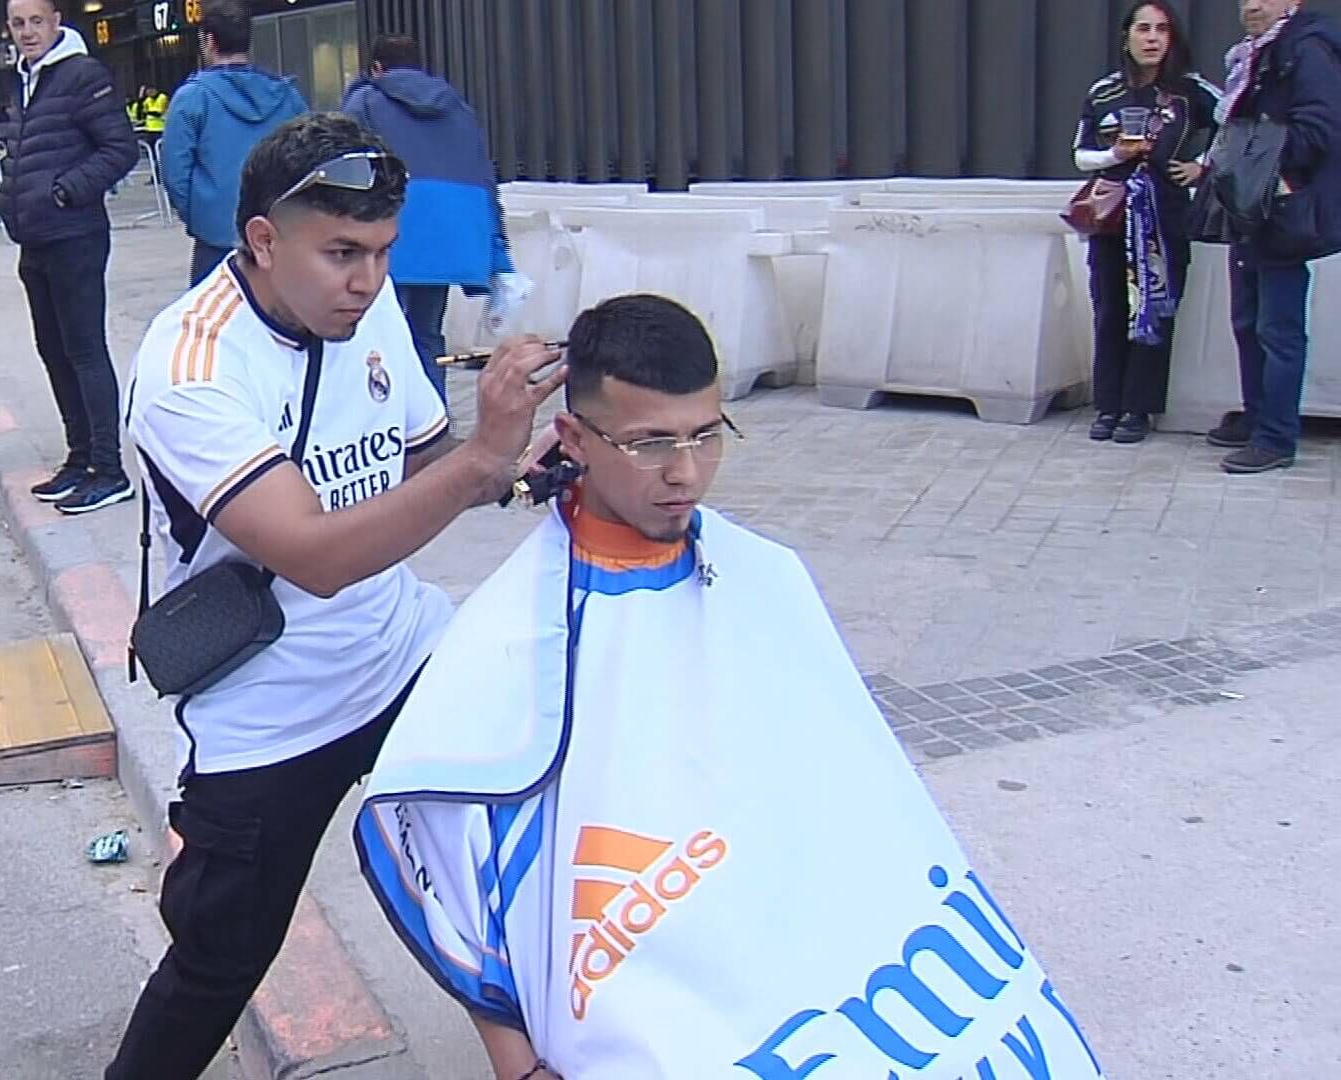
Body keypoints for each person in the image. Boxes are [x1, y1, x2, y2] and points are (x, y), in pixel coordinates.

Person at [353, 295, 1107, 1080]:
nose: (685, 472)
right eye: (648, 444)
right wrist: (518, 1063)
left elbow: (860, 805)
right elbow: (445, 861)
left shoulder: (766, 576)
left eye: (705, 435)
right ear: (573, 438)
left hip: (825, 967)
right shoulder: (507, 642)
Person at [105, 112, 566, 1080]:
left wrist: (522, 464)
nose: (366, 280)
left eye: (384, 252)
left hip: (402, 653)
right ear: (263, 241)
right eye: (342, 253)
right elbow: (313, 554)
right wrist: (480, 461)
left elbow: (425, 459)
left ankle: (527, 1062)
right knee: (222, 956)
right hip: (270, 711)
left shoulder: (368, 305)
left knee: (508, 863)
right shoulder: (189, 368)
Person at [0, 0, 140, 514]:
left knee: (83, 350)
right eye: (19, 23)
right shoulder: (23, 79)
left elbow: (120, 148)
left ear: (57, 21)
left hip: (74, 234)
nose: (28, 32)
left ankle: (110, 468)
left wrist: (64, 191)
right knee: (53, 350)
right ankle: (80, 460)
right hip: (36, 239)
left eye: (37, 21)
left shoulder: (81, 75)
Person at [1074, 2, 1220, 445]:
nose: (1152, 37)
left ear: (1172, 38)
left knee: (1154, 308)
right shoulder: (1104, 92)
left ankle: (1139, 409)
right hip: (1113, 215)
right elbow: (1080, 154)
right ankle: (1109, 405)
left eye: (1162, 29)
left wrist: (1201, 166)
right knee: (1111, 307)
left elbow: (1235, 125)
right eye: (1143, 28)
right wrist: (1114, 156)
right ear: (1127, 36)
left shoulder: (1192, 92)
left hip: (1164, 217)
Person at [1206, 0, 1341, 473]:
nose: (1252, 5)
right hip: (1248, 208)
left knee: (1277, 329)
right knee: (1246, 320)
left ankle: (1277, 437)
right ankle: (1259, 415)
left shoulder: (1307, 50)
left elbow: (1320, 128)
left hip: (1280, 208)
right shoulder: (1254, 54)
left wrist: (1267, 170)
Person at [342, 33, 513, 403]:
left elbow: (343, 162)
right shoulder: (456, 108)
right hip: (445, 234)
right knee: (427, 333)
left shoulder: (365, 101)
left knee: (377, 331)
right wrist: (497, 244)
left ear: (377, 68)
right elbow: (484, 175)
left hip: (388, 231)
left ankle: (383, 416)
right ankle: (433, 419)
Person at [161, 0, 307, 286]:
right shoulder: (287, 97)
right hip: (278, 232)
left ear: (209, 41)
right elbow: (310, 159)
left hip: (216, 238)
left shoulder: (192, 98)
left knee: (213, 322)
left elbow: (174, 172)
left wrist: (199, 217)